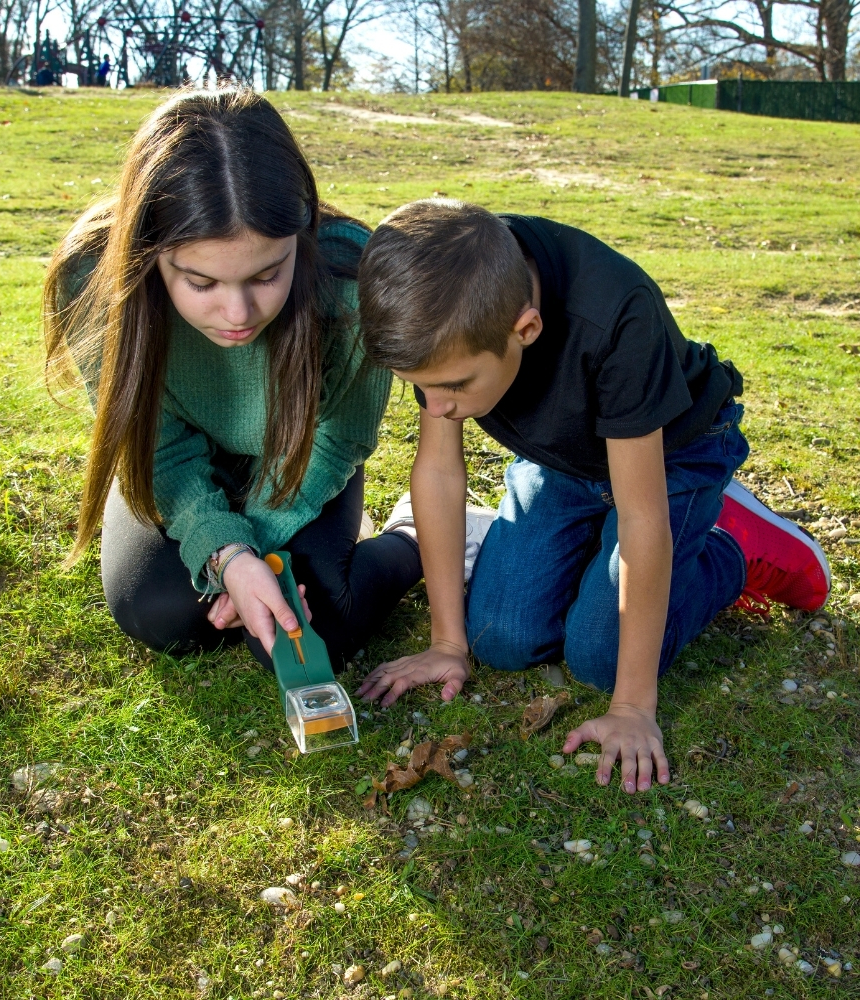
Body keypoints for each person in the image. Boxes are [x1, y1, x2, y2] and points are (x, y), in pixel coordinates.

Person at [355, 200, 830, 794]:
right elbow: (440, 471)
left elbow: (640, 515)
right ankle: (589, 550)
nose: (436, 405)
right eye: (419, 388)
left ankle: (732, 549)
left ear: (524, 329)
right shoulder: (446, 297)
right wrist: (447, 642)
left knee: (599, 655)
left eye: (452, 386)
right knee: (500, 638)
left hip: (669, 457)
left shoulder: (615, 315)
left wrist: (632, 706)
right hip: (564, 459)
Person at [43, 88, 422, 672]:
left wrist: (253, 546)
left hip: (302, 457)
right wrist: (227, 555)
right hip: (176, 462)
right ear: (150, 253)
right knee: (162, 611)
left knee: (318, 618)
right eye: (201, 284)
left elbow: (336, 439)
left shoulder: (351, 278)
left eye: (268, 274)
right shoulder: (95, 280)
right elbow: (157, 448)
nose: (240, 314)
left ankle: (409, 536)